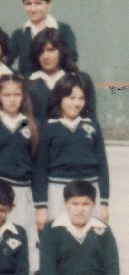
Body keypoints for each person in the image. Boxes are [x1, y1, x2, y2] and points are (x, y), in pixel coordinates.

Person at [0, 76, 41, 275]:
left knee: (21, 232)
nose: (12, 99)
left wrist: (40, 203)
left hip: (21, 188)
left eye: (16, 94)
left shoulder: (28, 125)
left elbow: (37, 166)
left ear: (23, 97)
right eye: (7, 94)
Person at [34, 74, 109, 224]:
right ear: (60, 98)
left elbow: (102, 164)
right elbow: (40, 169)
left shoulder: (92, 125)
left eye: (81, 98)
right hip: (58, 190)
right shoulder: (48, 128)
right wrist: (41, 205)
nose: (76, 103)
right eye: (71, 98)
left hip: (89, 189)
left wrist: (104, 202)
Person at [27, 28, 96, 124]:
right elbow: (24, 121)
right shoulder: (29, 83)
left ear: (61, 51)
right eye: (40, 52)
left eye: (51, 50)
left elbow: (91, 118)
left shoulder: (81, 79)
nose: (45, 56)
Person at [9, 0, 78, 75]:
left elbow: (71, 58)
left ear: (49, 4)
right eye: (28, 3)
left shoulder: (63, 30)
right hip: (29, 83)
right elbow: (5, 61)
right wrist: (19, 78)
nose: (33, 9)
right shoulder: (19, 34)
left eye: (38, 3)